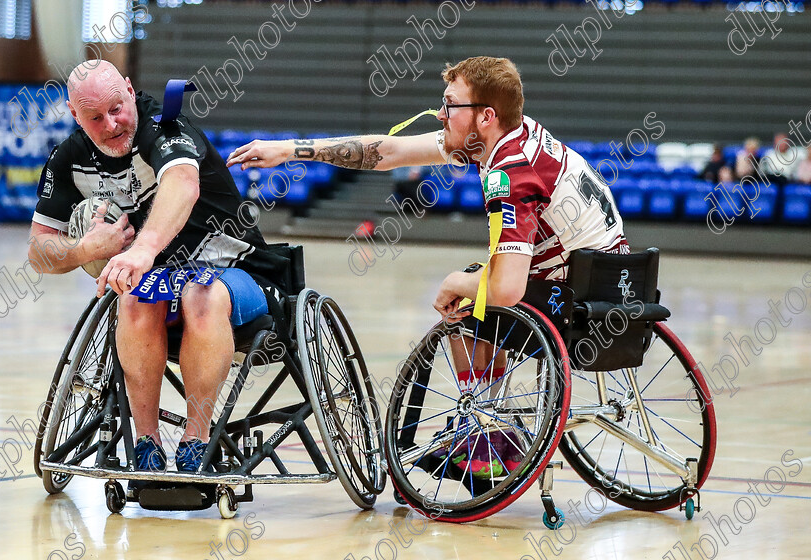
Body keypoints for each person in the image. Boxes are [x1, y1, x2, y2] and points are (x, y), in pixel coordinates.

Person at [227, 55, 629, 477]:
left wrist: (455, 281)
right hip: (612, 284)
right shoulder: (514, 135)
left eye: (451, 104)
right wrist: (290, 150)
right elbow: (390, 150)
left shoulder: (508, 171)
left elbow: (508, 289)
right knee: (479, 278)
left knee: (462, 295)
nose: (440, 114)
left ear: (486, 115)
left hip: (581, 308)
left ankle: (487, 435)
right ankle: (489, 431)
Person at [29, 60, 285, 494]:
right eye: (95, 117)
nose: (112, 124)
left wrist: (142, 250)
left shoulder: (164, 126)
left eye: (117, 108)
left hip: (234, 269)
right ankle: (145, 443)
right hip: (160, 285)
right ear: (75, 115)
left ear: (130, 90)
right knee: (133, 297)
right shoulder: (67, 159)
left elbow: (183, 184)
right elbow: (39, 250)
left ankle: (195, 439)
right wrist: (84, 250)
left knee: (200, 294)